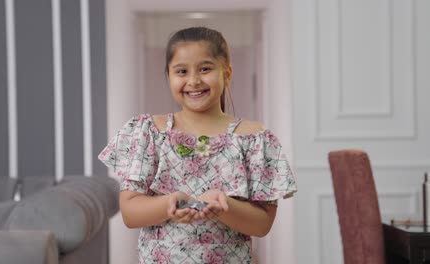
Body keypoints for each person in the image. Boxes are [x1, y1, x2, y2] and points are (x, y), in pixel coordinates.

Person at [98, 26, 297, 263]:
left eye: (205, 69)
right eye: (181, 71)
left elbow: (262, 224)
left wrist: (226, 207)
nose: (193, 81)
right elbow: (130, 214)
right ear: (169, 76)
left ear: (227, 72)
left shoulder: (255, 139)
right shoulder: (148, 132)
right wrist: (167, 203)